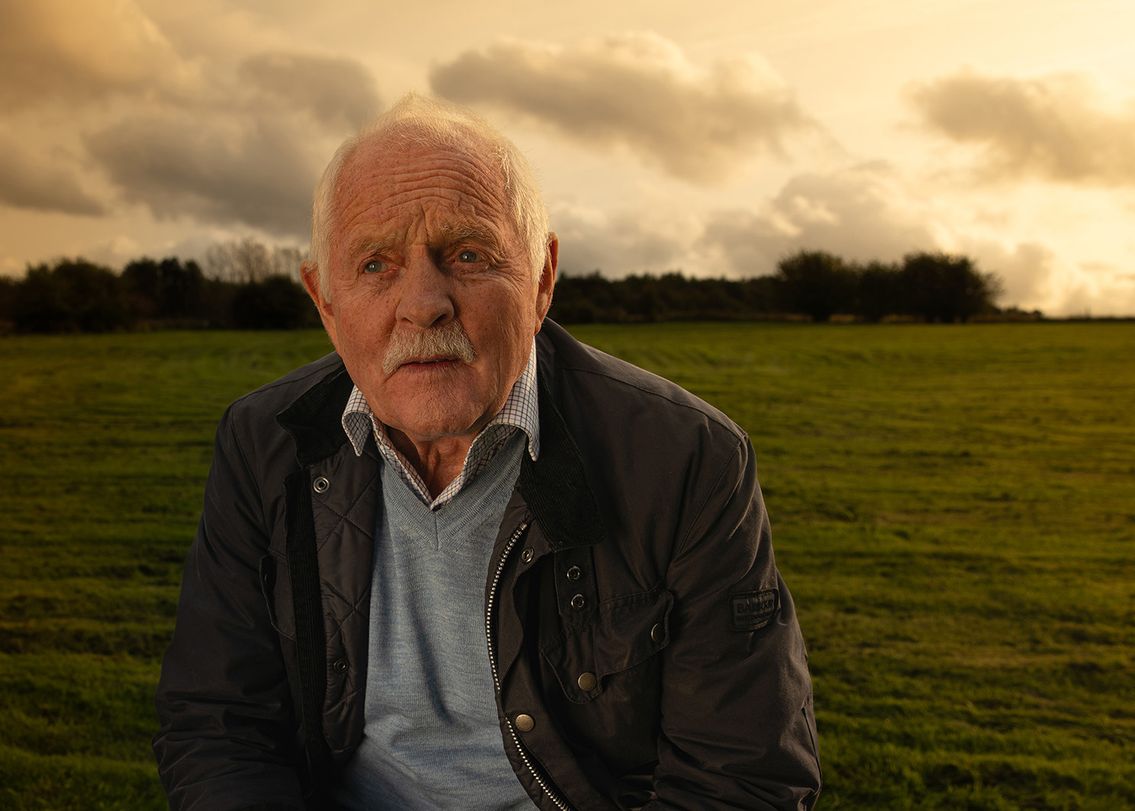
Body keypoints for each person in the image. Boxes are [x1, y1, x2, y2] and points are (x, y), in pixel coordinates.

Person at [154, 94, 821, 810]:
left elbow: (741, 779)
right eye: (375, 264)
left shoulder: (685, 458)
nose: (423, 303)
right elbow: (220, 725)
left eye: (468, 254)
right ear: (325, 301)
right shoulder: (265, 443)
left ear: (541, 279)